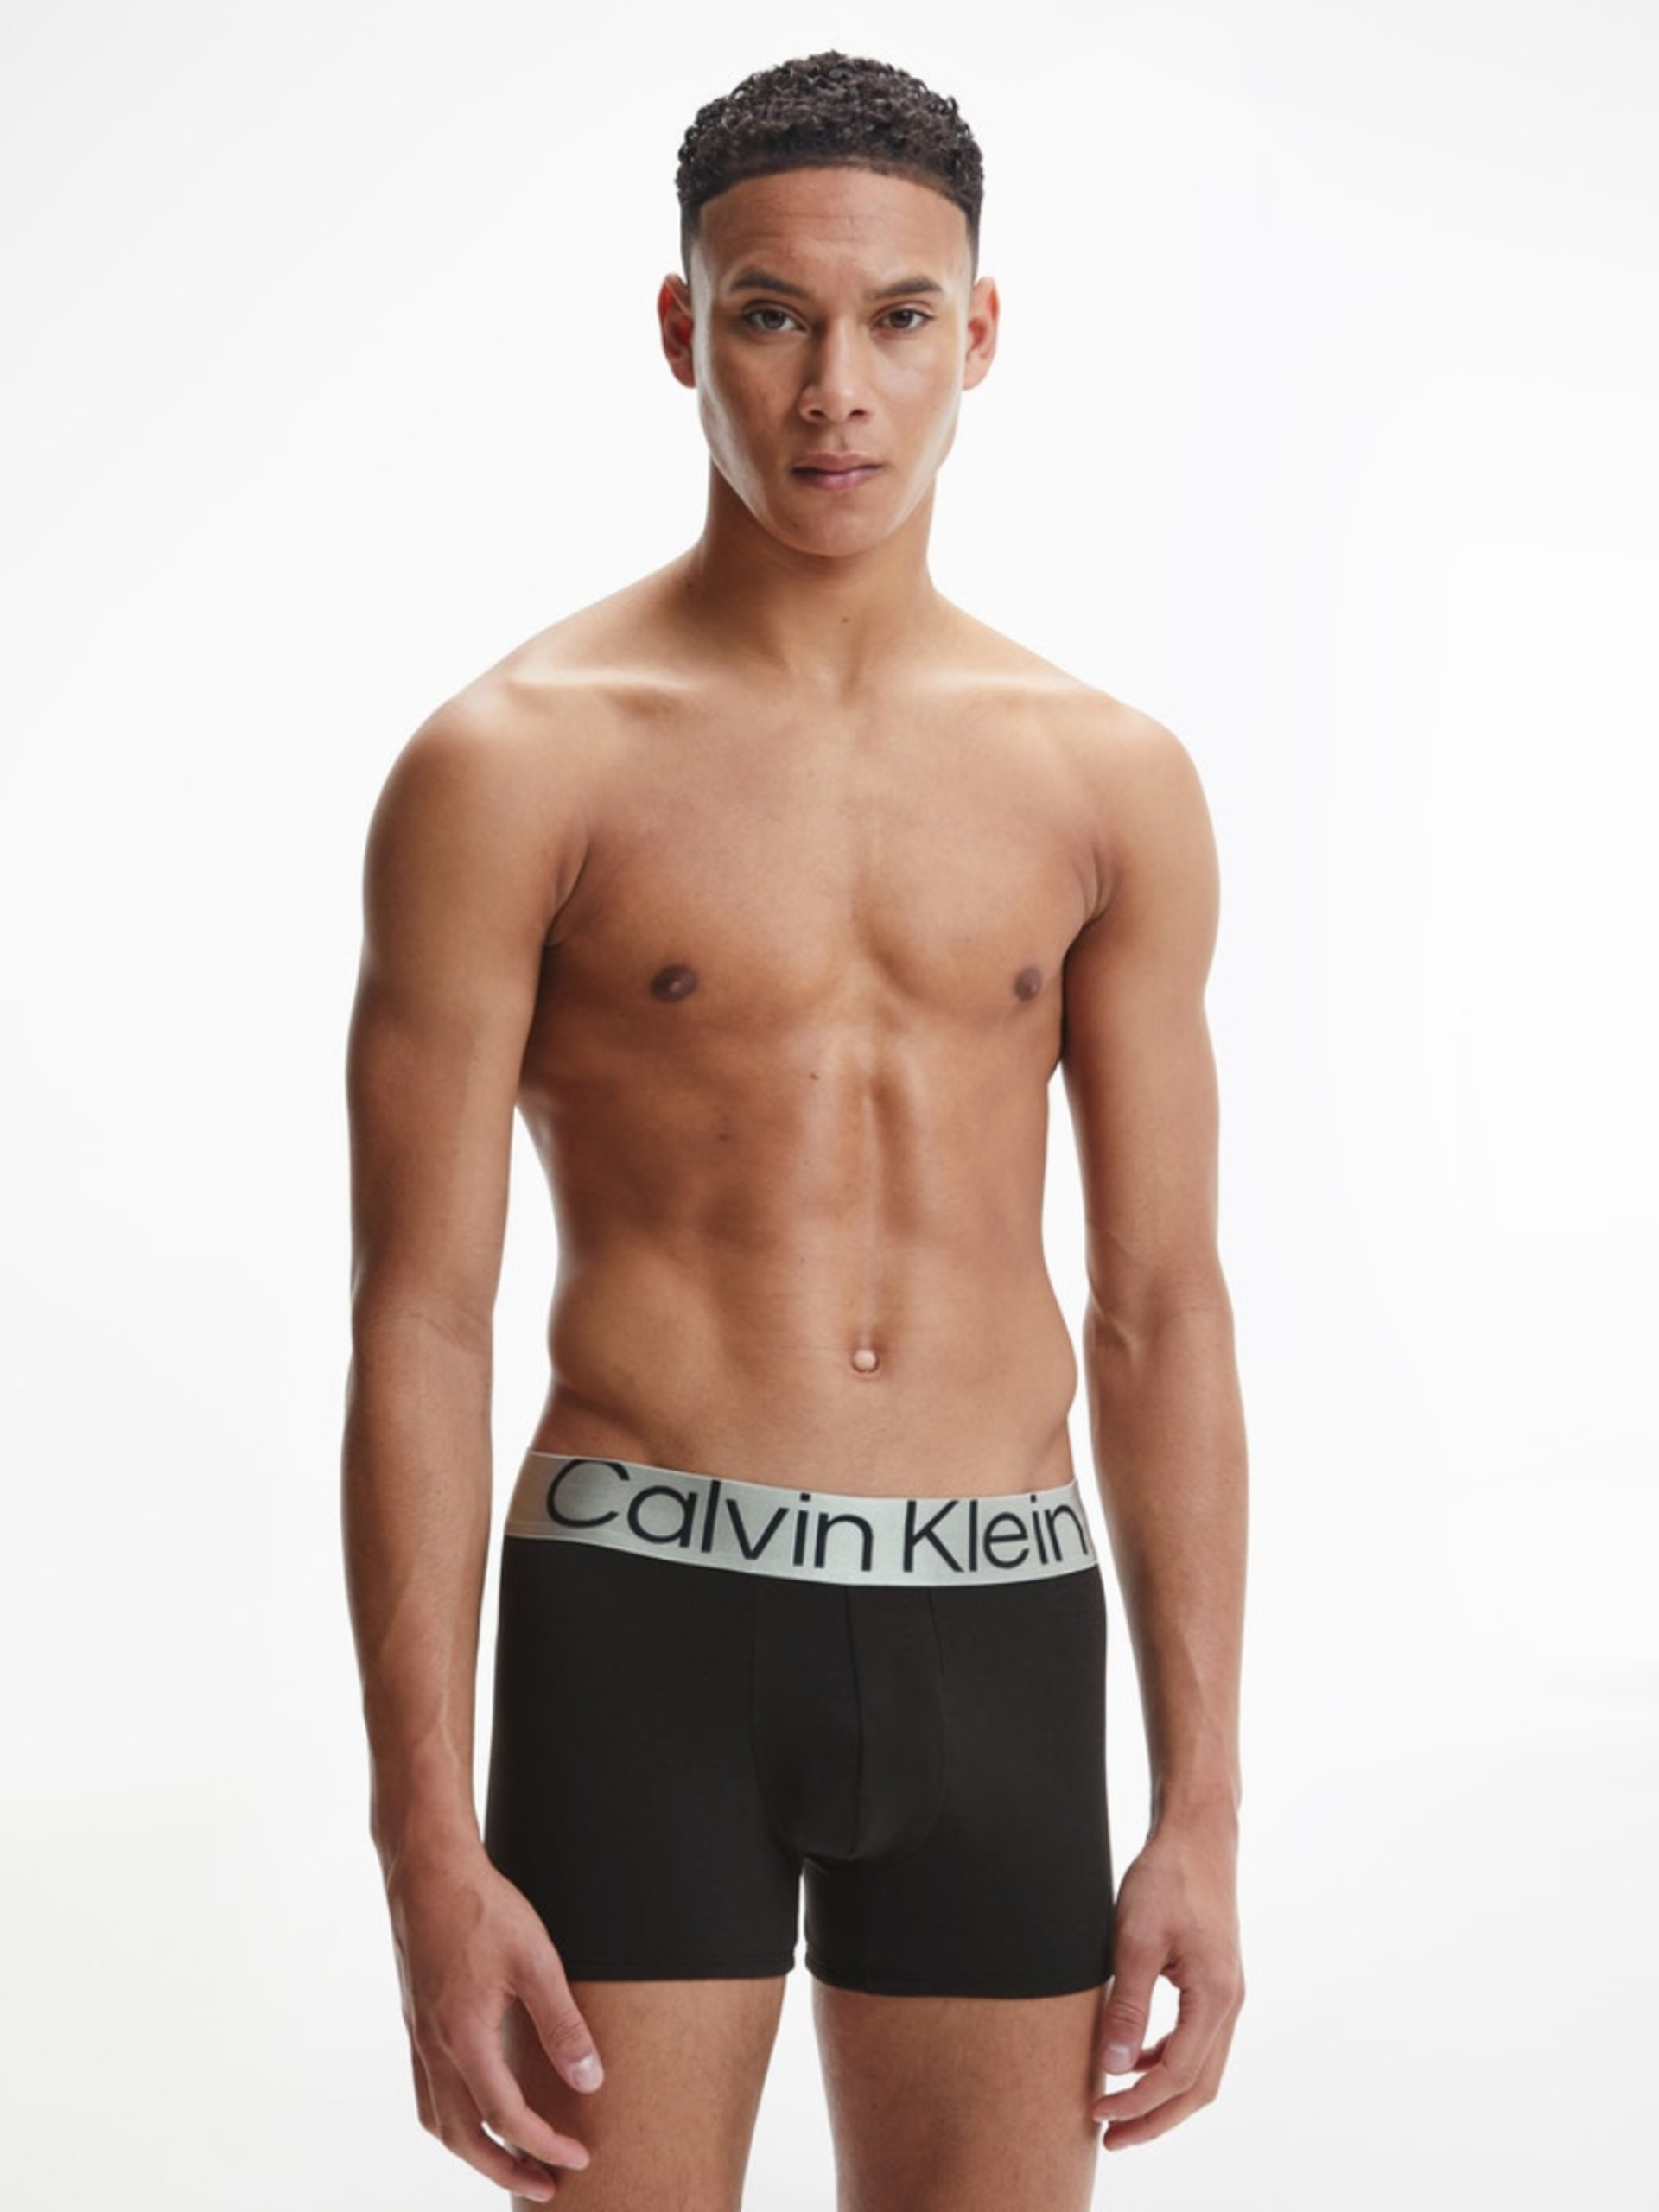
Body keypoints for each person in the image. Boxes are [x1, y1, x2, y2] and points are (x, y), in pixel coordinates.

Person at [342, 50, 1246, 2212]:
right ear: (685, 329)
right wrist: (422, 1840)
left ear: (978, 333)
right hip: (640, 1619)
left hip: (1000, 1625)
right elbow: (420, 1319)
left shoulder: (1107, 778)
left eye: (898, 317)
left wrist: (1202, 1805)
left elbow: (1162, 1311)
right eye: (772, 314)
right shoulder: (515, 763)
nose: (837, 388)